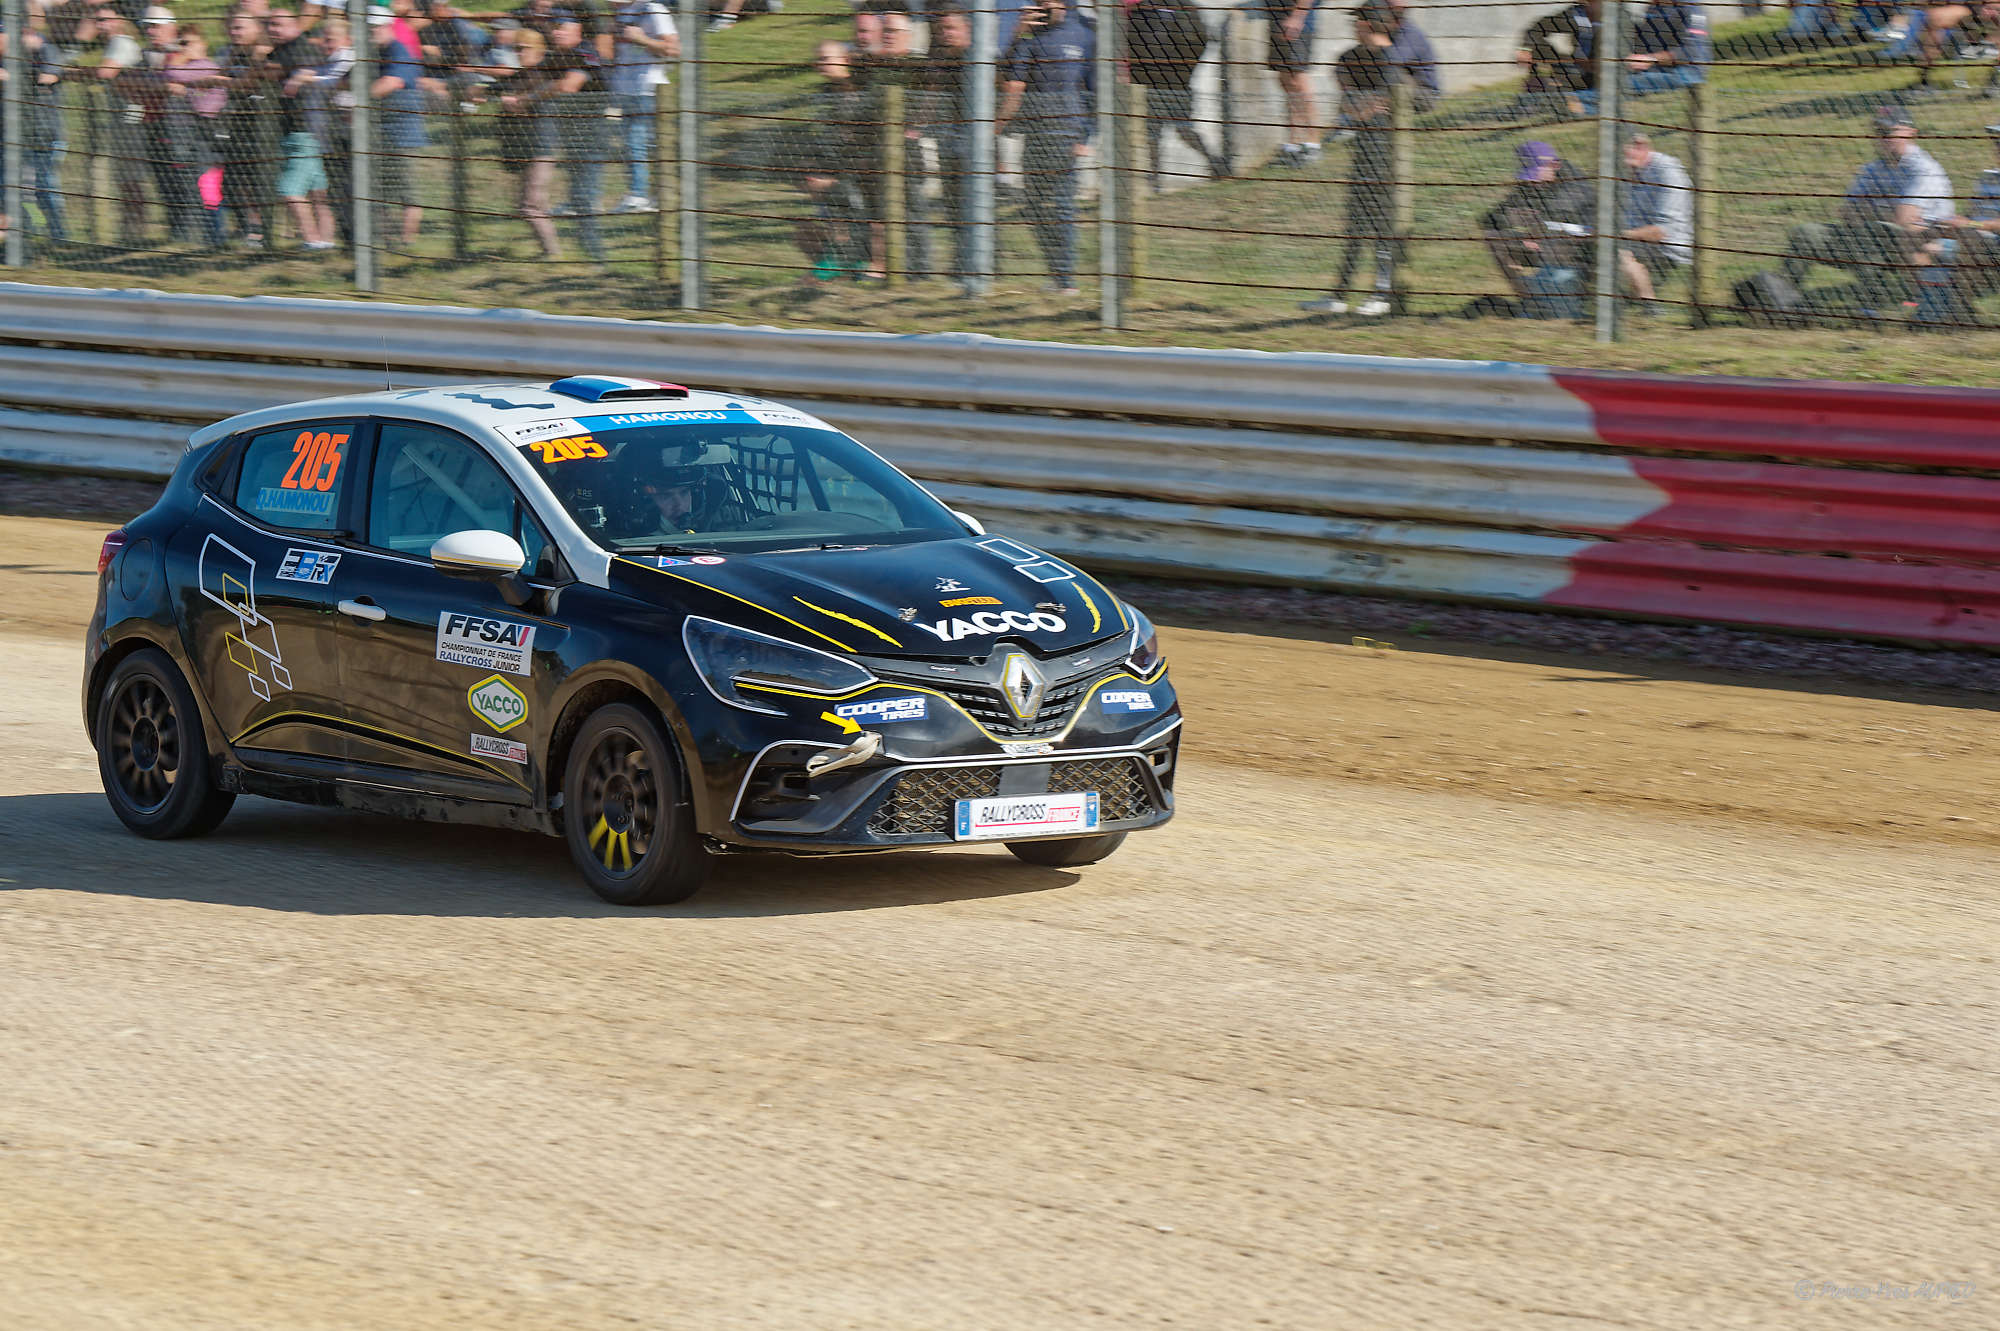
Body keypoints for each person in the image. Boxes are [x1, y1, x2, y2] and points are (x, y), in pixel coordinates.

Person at [1784, 104, 1953, 311]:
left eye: (1888, 132)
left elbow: (1904, 221)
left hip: (1921, 244)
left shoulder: (1924, 169)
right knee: (1806, 234)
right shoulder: (1873, 169)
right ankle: (1780, 297)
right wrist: (1888, 211)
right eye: (1878, 131)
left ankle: (1877, 303)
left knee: (1873, 232)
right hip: (1877, 236)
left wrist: (1870, 211)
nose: (1882, 138)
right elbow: (1846, 212)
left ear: (1911, 133)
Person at [1301, 8, 1397, 316]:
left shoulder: (1392, 59)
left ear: (1367, 24)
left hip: (1386, 150)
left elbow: (1386, 103)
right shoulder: (1352, 56)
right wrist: (1362, 106)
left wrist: (1361, 107)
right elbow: (1350, 104)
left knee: (1381, 223)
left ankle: (1382, 294)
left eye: (1357, 21)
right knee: (1356, 223)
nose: (1353, 26)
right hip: (1363, 148)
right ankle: (1339, 295)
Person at [997, 0, 1095, 293]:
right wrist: (1017, 34)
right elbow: (1009, 79)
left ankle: (1065, 279)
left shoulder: (1085, 35)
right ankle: (1058, 275)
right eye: (1038, 4)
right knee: (1035, 207)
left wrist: (1086, 136)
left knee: (1062, 206)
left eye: (1047, 4)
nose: (1042, 9)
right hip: (1036, 134)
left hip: (1067, 134)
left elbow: (1096, 88)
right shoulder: (1030, 38)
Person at [797, 39, 883, 282]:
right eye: (818, 60)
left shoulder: (864, 89)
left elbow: (869, 138)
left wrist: (836, 176)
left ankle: (868, 266)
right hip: (839, 163)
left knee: (865, 212)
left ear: (845, 60)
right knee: (805, 228)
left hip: (870, 166)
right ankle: (844, 262)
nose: (820, 64)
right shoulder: (825, 94)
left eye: (825, 58)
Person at [1125, 0, 1229, 189]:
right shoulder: (1141, 8)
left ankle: (1215, 163)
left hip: (1176, 82)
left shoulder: (1184, 6)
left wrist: (1183, 70)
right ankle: (1154, 176)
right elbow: (1131, 40)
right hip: (1149, 81)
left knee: (1183, 129)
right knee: (1152, 133)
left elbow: (1200, 40)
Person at [1478, 139, 1593, 308]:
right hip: (1548, 246)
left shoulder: (1576, 185)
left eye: (1535, 173)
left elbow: (1562, 217)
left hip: (1582, 250)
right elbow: (1490, 219)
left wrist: (1537, 231)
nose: (1532, 181)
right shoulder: (1532, 185)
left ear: (1554, 165)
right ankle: (1527, 299)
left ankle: (1579, 291)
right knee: (1494, 238)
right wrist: (1516, 220)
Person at [905, 4, 974, 284]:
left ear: (968, 28)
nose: (946, 33)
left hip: (976, 143)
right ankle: (961, 264)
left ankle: (981, 265)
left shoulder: (980, 60)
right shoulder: (942, 61)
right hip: (949, 140)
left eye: (951, 28)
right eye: (942, 29)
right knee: (954, 206)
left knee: (976, 205)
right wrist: (916, 127)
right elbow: (931, 97)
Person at [543, 12, 610, 263]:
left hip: (591, 137)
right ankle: (587, 254)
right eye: (553, 27)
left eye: (562, 26)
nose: (556, 32)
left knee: (584, 196)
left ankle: (598, 259)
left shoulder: (584, 52)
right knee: (578, 197)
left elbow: (569, 85)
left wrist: (531, 96)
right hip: (572, 136)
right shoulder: (557, 56)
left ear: (578, 29)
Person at [1918, 123, 2000, 319]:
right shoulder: (1988, 177)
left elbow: (1978, 224)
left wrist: (1971, 225)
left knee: (1960, 242)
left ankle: (1952, 308)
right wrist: (1952, 222)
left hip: (1992, 244)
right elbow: (1972, 213)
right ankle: (1930, 309)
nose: (1997, 147)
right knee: (1923, 236)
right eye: (1997, 142)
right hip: (1974, 237)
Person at [495, 26, 564, 257]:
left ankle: (553, 254)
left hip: (541, 148)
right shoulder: (521, 76)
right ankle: (552, 253)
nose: (519, 53)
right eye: (516, 48)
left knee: (529, 205)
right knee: (536, 204)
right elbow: (500, 87)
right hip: (525, 147)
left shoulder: (545, 74)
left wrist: (519, 102)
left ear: (538, 51)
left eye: (524, 48)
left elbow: (550, 89)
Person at [268, 7, 332, 249]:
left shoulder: (301, 48)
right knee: (317, 193)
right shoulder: (279, 51)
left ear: (295, 25)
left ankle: (313, 240)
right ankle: (326, 242)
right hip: (296, 131)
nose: (272, 29)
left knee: (290, 190)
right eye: (270, 24)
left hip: (303, 131)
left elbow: (309, 70)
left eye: (278, 24)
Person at [215, 9, 280, 247]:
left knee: (259, 182)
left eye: (239, 27)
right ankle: (246, 230)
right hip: (238, 126)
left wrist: (218, 80)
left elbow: (246, 84)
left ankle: (264, 235)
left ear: (256, 28)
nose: (234, 32)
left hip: (262, 128)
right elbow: (224, 76)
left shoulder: (267, 53)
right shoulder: (236, 54)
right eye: (232, 27)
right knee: (232, 182)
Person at [367, 3, 427, 250]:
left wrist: (357, 98)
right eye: (368, 28)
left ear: (388, 26)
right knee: (379, 189)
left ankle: (407, 242)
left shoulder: (398, 50)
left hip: (402, 134)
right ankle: (385, 241)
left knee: (406, 190)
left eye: (375, 28)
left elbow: (391, 82)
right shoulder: (373, 53)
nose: (371, 32)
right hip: (380, 131)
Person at [607, 0, 675, 213]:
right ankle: (650, 195)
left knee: (637, 143)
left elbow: (673, 48)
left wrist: (641, 39)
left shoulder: (653, 10)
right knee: (634, 145)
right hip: (624, 90)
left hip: (647, 89)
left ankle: (639, 195)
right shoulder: (621, 14)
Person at [1618, 131, 1692, 312]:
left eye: (1622, 154)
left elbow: (1663, 231)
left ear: (1641, 147)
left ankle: (1650, 305)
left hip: (1669, 245)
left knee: (1614, 250)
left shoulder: (1668, 174)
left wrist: (1619, 234)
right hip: (1637, 240)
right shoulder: (1633, 170)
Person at [1514, 0, 1598, 119]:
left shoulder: (1617, 19)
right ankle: (1537, 91)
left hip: (1603, 78)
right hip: (1579, 73)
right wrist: (1525, 49)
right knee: (1538, 46)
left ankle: (1565, 99)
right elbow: (1537, 29)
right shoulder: (1578, 15)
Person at [1263, 0, 1318, 165]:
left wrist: (1297, 16)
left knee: (1299, 81)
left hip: (1295, 25)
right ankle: (1293, 145)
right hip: (1280, 24)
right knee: (1287, 83)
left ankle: (1313, 145)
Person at [1621, 0, 1707, 101]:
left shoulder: (1691, 7)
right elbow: (1643, 42)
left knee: (1619, 84)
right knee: (1613, 80)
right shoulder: (1655, 7)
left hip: (1685, 72)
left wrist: (1650, 59)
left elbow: (1690, 52)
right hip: (1655, 69)